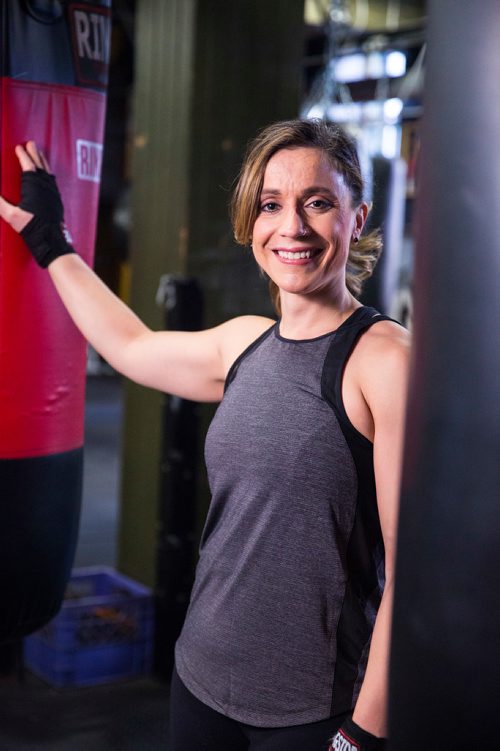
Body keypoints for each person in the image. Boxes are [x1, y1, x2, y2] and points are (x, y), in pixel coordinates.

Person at [0, 119, 410, 751]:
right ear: (252, 221)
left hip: (314, 711)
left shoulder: (383, 360)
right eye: (271, 205)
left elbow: (411, 569)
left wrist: (363, 735)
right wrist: (51, 241)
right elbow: (129, 345)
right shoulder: (243, 343)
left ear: (357, 219)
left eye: (319, 203)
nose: (292, 227)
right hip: (201, 682)